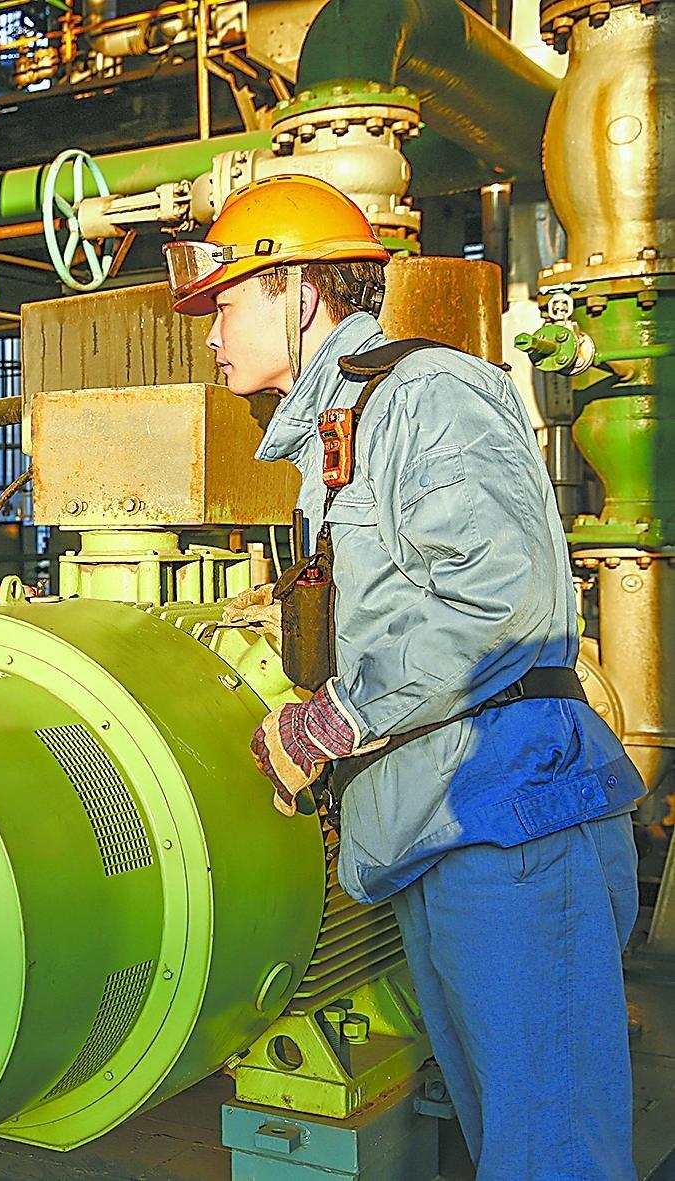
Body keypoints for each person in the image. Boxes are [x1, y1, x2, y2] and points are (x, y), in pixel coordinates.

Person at [171, 174, 643, 1179]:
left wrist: (327, 723)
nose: (210, 336)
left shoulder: (423, 394)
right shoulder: (341, 430)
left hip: (507, 821)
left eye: (224, 304)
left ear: (298, 291)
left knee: (549, 1152)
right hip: (437, 826)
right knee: (508, 1140)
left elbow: (497, 602)